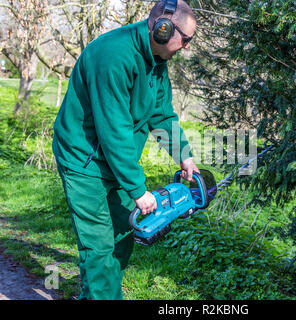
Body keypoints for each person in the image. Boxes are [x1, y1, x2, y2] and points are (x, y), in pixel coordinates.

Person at [52, 0, 199, 300]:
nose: (186, 47)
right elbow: (113, 130)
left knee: (121, 237)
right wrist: (138, 189)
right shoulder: (114, 56)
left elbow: (161, 114)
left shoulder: (156, 62)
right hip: (84, 160)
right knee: (100, 247)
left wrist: (184, 155)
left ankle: (96, 295)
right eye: (185, 40)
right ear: (163, 29)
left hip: (115, 161)